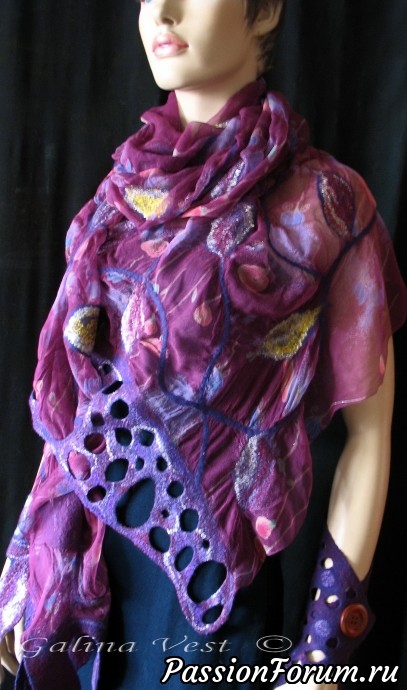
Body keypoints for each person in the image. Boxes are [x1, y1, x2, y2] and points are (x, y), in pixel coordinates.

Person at [0, 1, 406, 688]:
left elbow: (369, 437)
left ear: (265, 10)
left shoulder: (323, 207)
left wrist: (322, 652)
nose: (162, 12)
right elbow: (76, 410)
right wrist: (21, 572)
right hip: (78, 591)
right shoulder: (118, 199)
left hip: (207, 607)